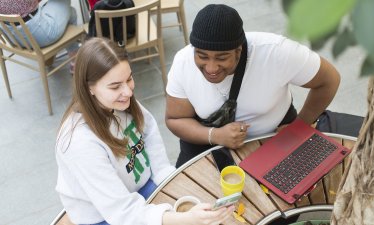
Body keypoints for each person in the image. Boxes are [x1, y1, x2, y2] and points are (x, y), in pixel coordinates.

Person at [55, 37, 234, 225]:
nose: (128, 92)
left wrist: (166, 177)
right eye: (115, 86)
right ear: (89, 87)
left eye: (129, 78)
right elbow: (123, 213)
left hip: (140, 188)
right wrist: (186, 219)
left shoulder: (117, 102)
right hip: (104, 215)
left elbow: (149, 133)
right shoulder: (79, 143)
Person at [165, 4, 341, 168]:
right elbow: (175, 119)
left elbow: (329, 80)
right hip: (207, 141)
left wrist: (299, 126)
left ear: (238, 51)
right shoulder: (183, 61)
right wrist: (215, 135)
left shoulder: (275, 52)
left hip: (275, 137)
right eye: (202, 56)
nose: (211, 68)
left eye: (221, 58)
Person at [0, 0, 79, 71]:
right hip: (39, 36)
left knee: (68, 12)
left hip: (14, 39)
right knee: (65, 5)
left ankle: (50, 59)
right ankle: (76, 62)